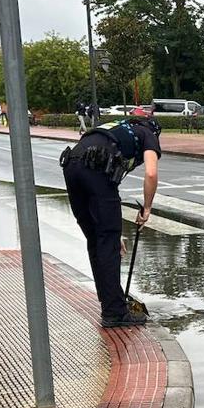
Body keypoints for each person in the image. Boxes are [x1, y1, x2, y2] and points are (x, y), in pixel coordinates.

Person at [60, 117, 162, 328]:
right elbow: (151, 173)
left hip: (71, 165)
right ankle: (114, 312)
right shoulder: (148, 134)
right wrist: (148, 208)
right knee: (106, 241)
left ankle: (107, 300)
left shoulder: (116, 127)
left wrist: (114, 235)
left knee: (97, 239)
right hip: (95, 169)